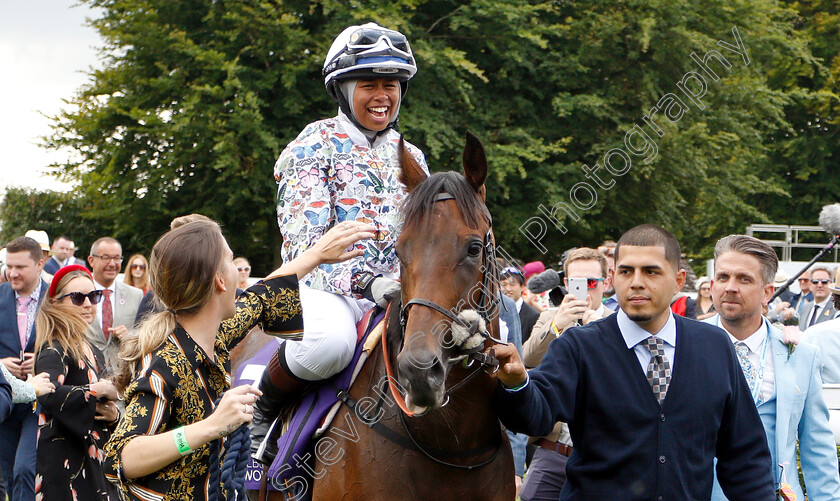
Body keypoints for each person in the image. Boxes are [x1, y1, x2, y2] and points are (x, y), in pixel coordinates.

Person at [490, 224, 775, 500]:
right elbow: (535, 414)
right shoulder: (579, 347)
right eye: (627, 271)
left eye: (651, 271)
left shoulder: (713, 346)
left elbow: (744, 455)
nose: (637, 281)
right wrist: (517, 384)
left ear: (678, 280)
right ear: (614, 278)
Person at [253, 22, 429, 455]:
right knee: (331, 346)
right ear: (343, 90)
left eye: (391, 84)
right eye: (369, 84)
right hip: (324, 288)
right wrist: (367, 283)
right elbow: (305, 245)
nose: (382, 95)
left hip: (400, 288)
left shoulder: (414, 156)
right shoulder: (310, 147)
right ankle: (264, 407)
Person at [103, 218, 372, 500]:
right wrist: (211, 426)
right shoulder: (165, 363)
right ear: (220, 280)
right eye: (232, 261)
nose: (239, 272)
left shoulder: (213, 337)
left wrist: (317, 254)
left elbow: (262, 294)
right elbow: (121, 458)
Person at [706, 235, 840, 500]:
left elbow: (817, 445)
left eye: (744, 279)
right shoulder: (684, 346)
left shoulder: (802, 354)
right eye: (723, 277)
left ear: (767, 292)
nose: (730, 288)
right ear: (711, 285)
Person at [519, 247, 613, 501]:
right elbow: (527, 358)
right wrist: (556, 326)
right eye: (575, 283)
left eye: (591, 282)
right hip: (554, 450)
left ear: (607, 283)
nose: (584, 289)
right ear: (566, 283)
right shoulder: (550, 316)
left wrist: (599, 335)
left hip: (603, 454)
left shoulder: (618, 324)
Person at [34, 265, 122, 501]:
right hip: (66, 466)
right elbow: (47, 393)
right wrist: (98, 390)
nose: (87, 304)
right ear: (55, 303)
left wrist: (113, 415)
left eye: (93, 297)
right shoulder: (54, 348)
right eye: (77, 297)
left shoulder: (92, 348)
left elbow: (102, 407)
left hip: (94, 463)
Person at [0, 236, 48, 501]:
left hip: (38, 402)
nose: (12, 273)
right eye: (9, 266)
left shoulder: (55, 298)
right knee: (9, 474)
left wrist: (39, 362)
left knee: (24, 470)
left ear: (39, 263)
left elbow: (71, 344)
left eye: (20, 267)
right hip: (5, 400)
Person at [87, 237, 144, 371]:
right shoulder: (78, 295)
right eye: (106, 258)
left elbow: (145, 340)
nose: (112, 264)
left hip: (122, 376)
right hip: (87, 376)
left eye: (117, 258)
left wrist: (128, 337)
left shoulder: (136, 295)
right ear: (91, 261)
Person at [804, 275, 840, 383]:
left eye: (824, 281)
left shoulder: (815, 335)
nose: (819, 284)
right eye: (815, 281)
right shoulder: (815, 334)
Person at [501, 267, 541, 344]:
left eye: (512, 284)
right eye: (504, 284)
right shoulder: (493, 313)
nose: (508, 289)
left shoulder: (533, 316)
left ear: (522, 286)